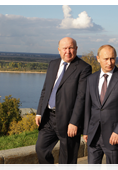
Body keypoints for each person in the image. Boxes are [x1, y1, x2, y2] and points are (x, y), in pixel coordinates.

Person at [35, 37, 92, 170]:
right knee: (41, 150)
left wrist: (74, 122)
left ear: (76, 49)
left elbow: (81, 98)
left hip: (68, 120)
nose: (68, 51)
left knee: (67, 159)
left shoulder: (84, 68)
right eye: (65, 48)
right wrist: (39, 112)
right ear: (59, 50)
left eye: (71, 48)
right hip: (48, 117)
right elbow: (46, 90)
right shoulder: (53, 64)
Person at [83, 45, 118, 170]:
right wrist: (86, 130)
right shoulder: (91, 79)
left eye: (112, 58)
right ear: (98, 58)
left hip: (114, 135)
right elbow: (88, 106)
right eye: (106, 59)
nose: (109, 62)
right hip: (93, 134)